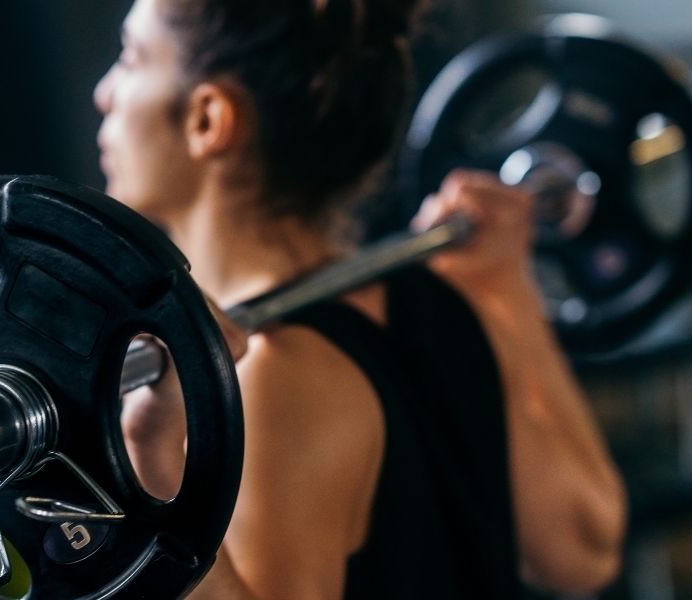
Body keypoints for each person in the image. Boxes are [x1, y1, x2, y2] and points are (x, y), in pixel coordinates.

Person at [95, 0, 628, 598]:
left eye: (131, 59)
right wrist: (507, 291)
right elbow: (586, 550)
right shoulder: (438, 301)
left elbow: (585, 555)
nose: (104, 94)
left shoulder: (274, 379)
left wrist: (150, 458)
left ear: (208, 119)